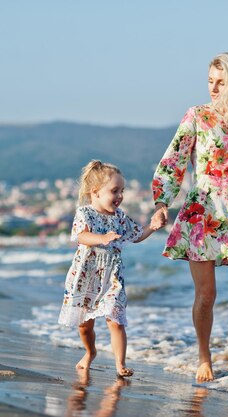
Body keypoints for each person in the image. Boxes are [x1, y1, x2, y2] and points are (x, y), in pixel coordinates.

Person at [151, 52, 228, 382]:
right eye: (210, 81)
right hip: (202, 211)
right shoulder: (197, 116)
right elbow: (174, 160)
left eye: (221, 82)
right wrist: (163, 203)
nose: (214, 88)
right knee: (207, 295)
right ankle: (204, 356)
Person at [59, 160, 161, 377]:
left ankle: (120, 365)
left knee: (116, 321)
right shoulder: (84, 213)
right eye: (115, 191)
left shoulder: (120, 218)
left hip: (112, 277)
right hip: (86, 275)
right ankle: (90, 352)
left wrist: (152, 226)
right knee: (85, 325)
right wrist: (102, 238)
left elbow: (136, 235)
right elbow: (82, 236)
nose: (120, 196)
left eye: (122, 191)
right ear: (95, 192)